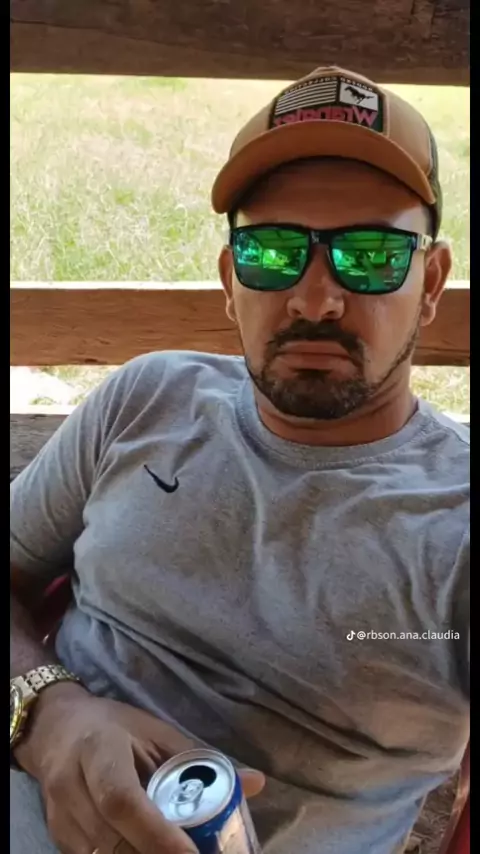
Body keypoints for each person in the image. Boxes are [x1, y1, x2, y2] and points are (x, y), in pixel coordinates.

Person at [10, 65, 469, 854]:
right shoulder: (147, 400)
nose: (315, 299)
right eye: (273, 251)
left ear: (430, 283)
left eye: (370, 256)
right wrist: (45, 710)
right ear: (230, 279)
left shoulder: (454, 519)